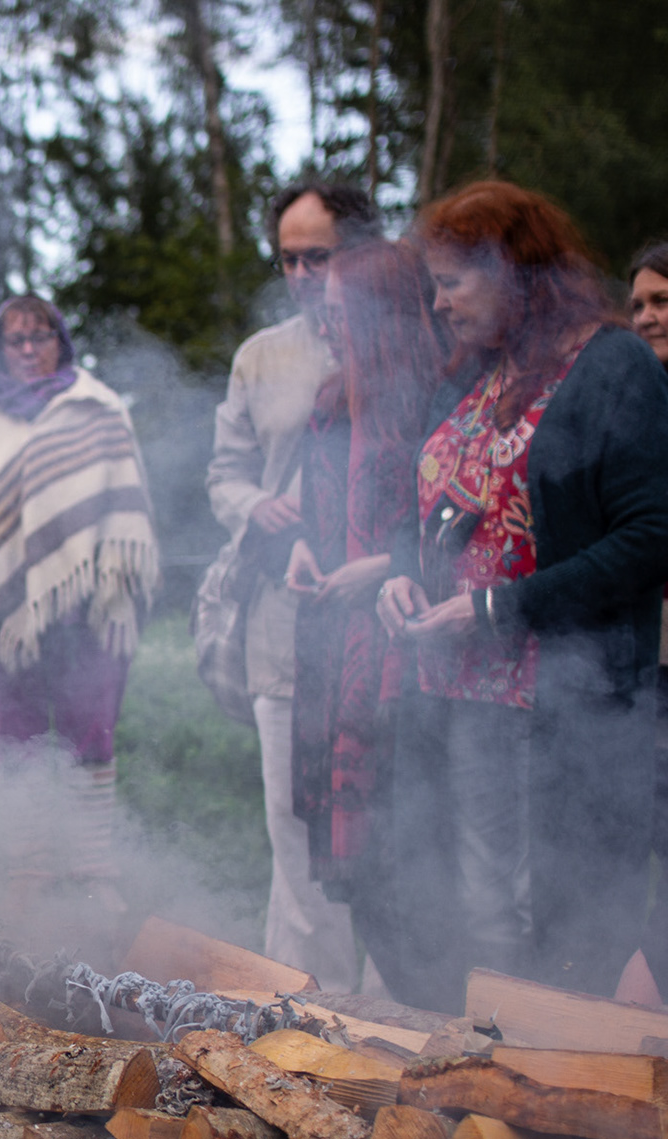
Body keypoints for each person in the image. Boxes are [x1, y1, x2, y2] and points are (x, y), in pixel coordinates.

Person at [376, 180, 668, 1012]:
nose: (438, 303)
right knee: (479, 909)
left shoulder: (612, 367)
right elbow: (430, 505)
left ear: (515, 272)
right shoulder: (473, 374)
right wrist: (401, 572)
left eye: (453, 281)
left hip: (562, 707)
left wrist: (502, 609)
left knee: (559, 923)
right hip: (458, 698)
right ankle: (489, 1073)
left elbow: (651, 538)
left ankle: (558, 1096)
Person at [206, 182, 382, 992]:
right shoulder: (262, 356)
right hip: (282, 618)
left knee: (373, 826)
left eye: (323, 255)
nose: (306, 273)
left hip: (382, 626)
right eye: (291, 258)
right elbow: (225, 478)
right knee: (291, 823)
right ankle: (307, 1011)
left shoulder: (402, 344)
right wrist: (258, 506)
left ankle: (381, 1004)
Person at [0, 295, 160, 854]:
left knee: (91, 737)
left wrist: (107, 586)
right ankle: (25, 872)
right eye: (16, 340)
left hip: (87, 602)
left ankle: (92, 868)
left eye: (41, 336)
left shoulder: (97, 406)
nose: (29, 349)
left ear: (62, 342)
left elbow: (125, 508)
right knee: (15, 743)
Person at [281, 241, 444, 988]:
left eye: (345, 310)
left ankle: (429, 1026)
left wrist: (381, 568)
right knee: (357, 874)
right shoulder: (327, 402)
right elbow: (315, 515)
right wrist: (305, 556)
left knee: (412, 859)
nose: (330, 321)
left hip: (411, 658)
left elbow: (464, 530)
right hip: (334, 653)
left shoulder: (437, 397)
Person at [618, 241, 668, 1005]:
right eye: (637, 305)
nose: (648, 315)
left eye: (663, 301)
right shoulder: (631, 405)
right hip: (642, 666)